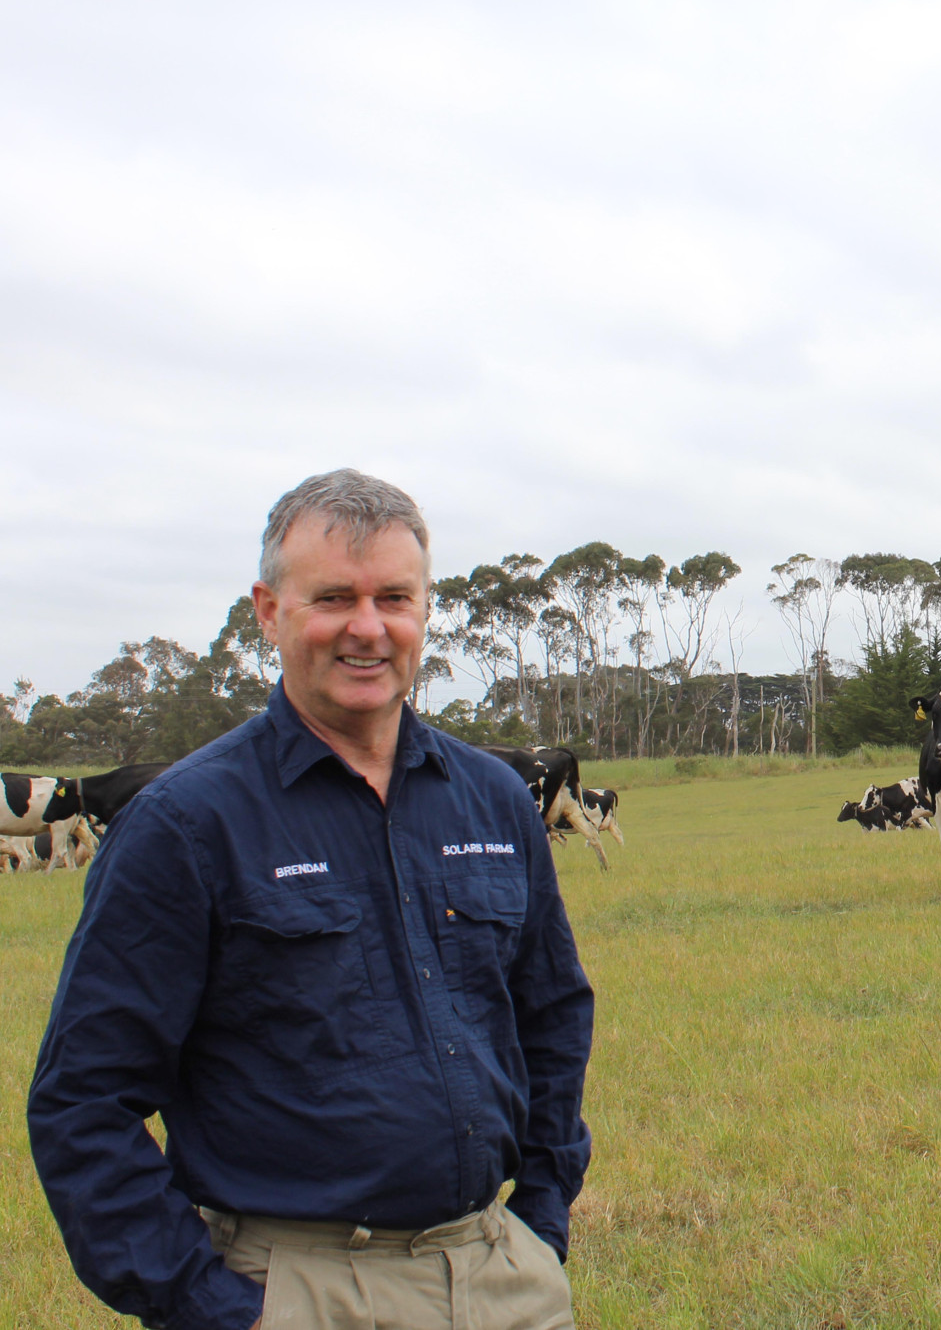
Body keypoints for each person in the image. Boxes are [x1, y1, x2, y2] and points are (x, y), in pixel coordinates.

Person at [29, 470, 594, 1330]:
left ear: (424, 609)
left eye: (394, 597)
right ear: (268, 609)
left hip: (497, 1275)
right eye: (333, 596)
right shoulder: (186, 825)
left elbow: (552, 1014)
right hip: (296, 1287)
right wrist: (214, 1306)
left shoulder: (489, 799)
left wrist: (542, 1215)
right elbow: (81, 1100)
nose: (368, 627)